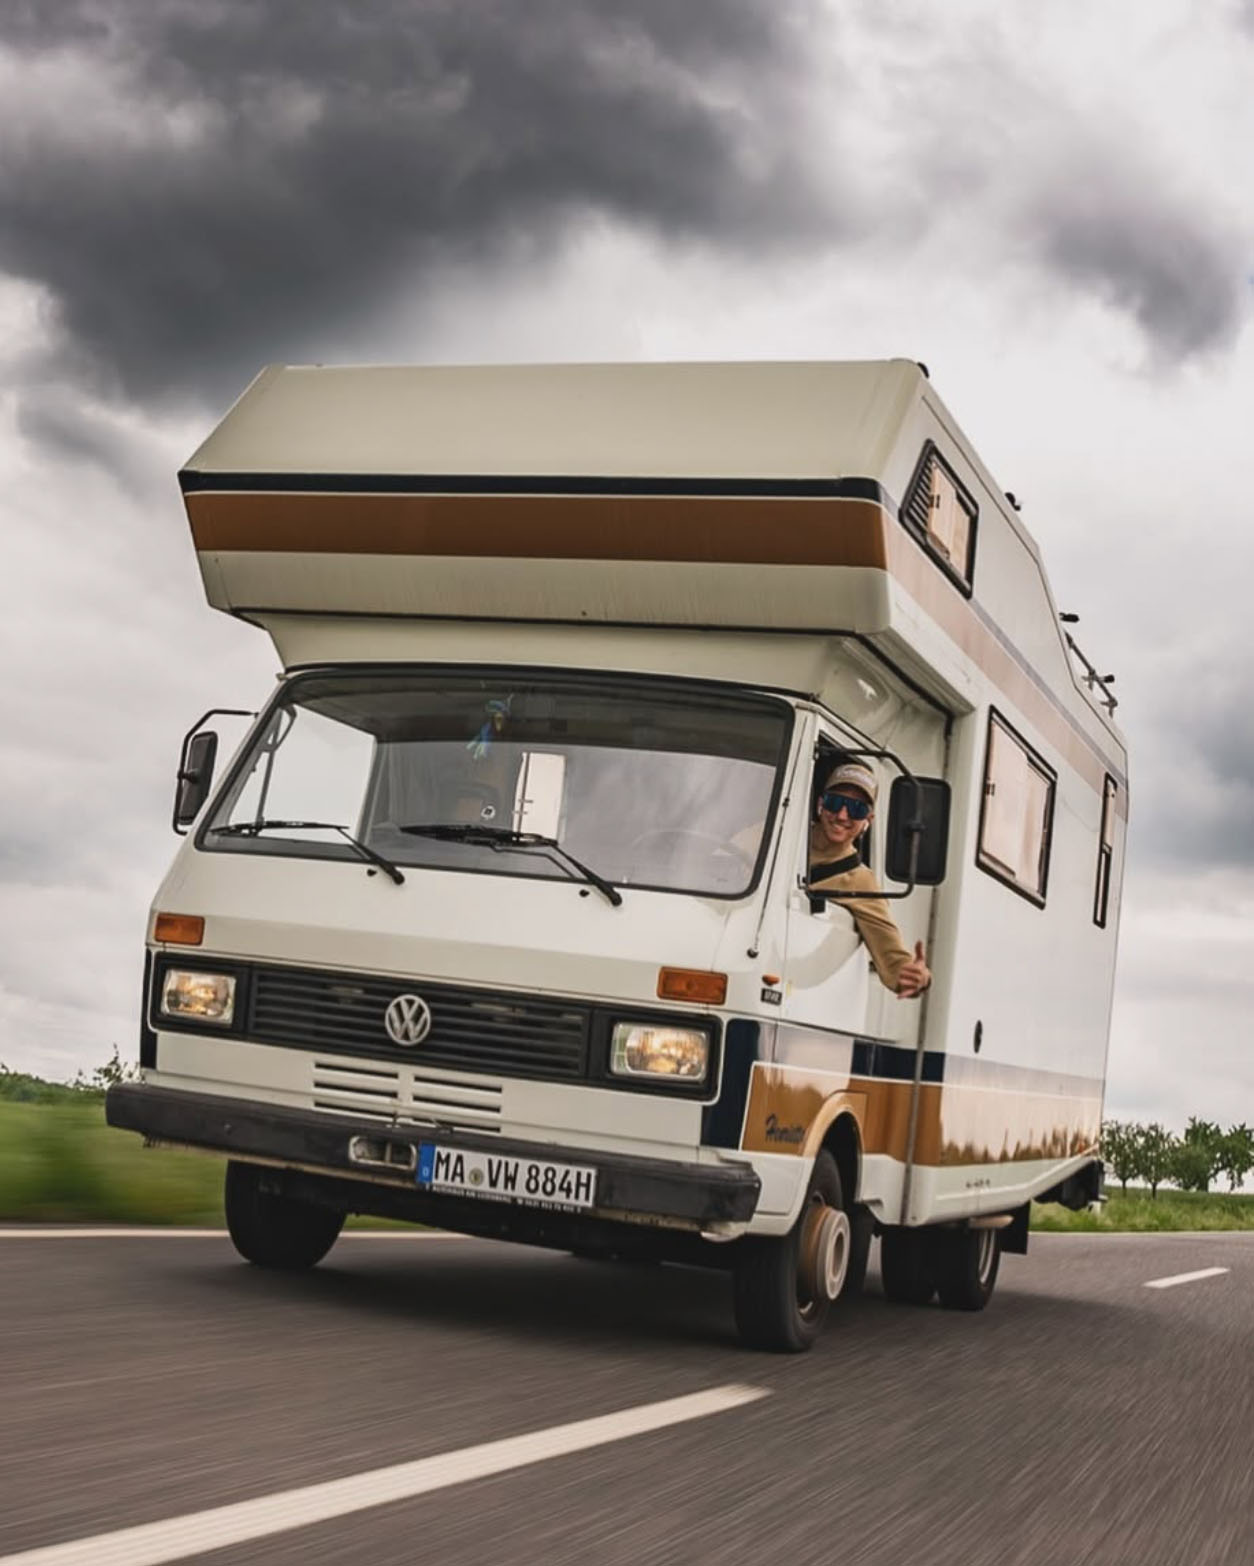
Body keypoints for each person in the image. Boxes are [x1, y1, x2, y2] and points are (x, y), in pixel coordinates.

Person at [808, 760, 932, 999]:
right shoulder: (774, 834)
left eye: (856, 809)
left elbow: (892, 954)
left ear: (869, 819)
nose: (842, 815)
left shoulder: (860, 881)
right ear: (820, 804)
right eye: (835, 803)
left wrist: (918, 977)